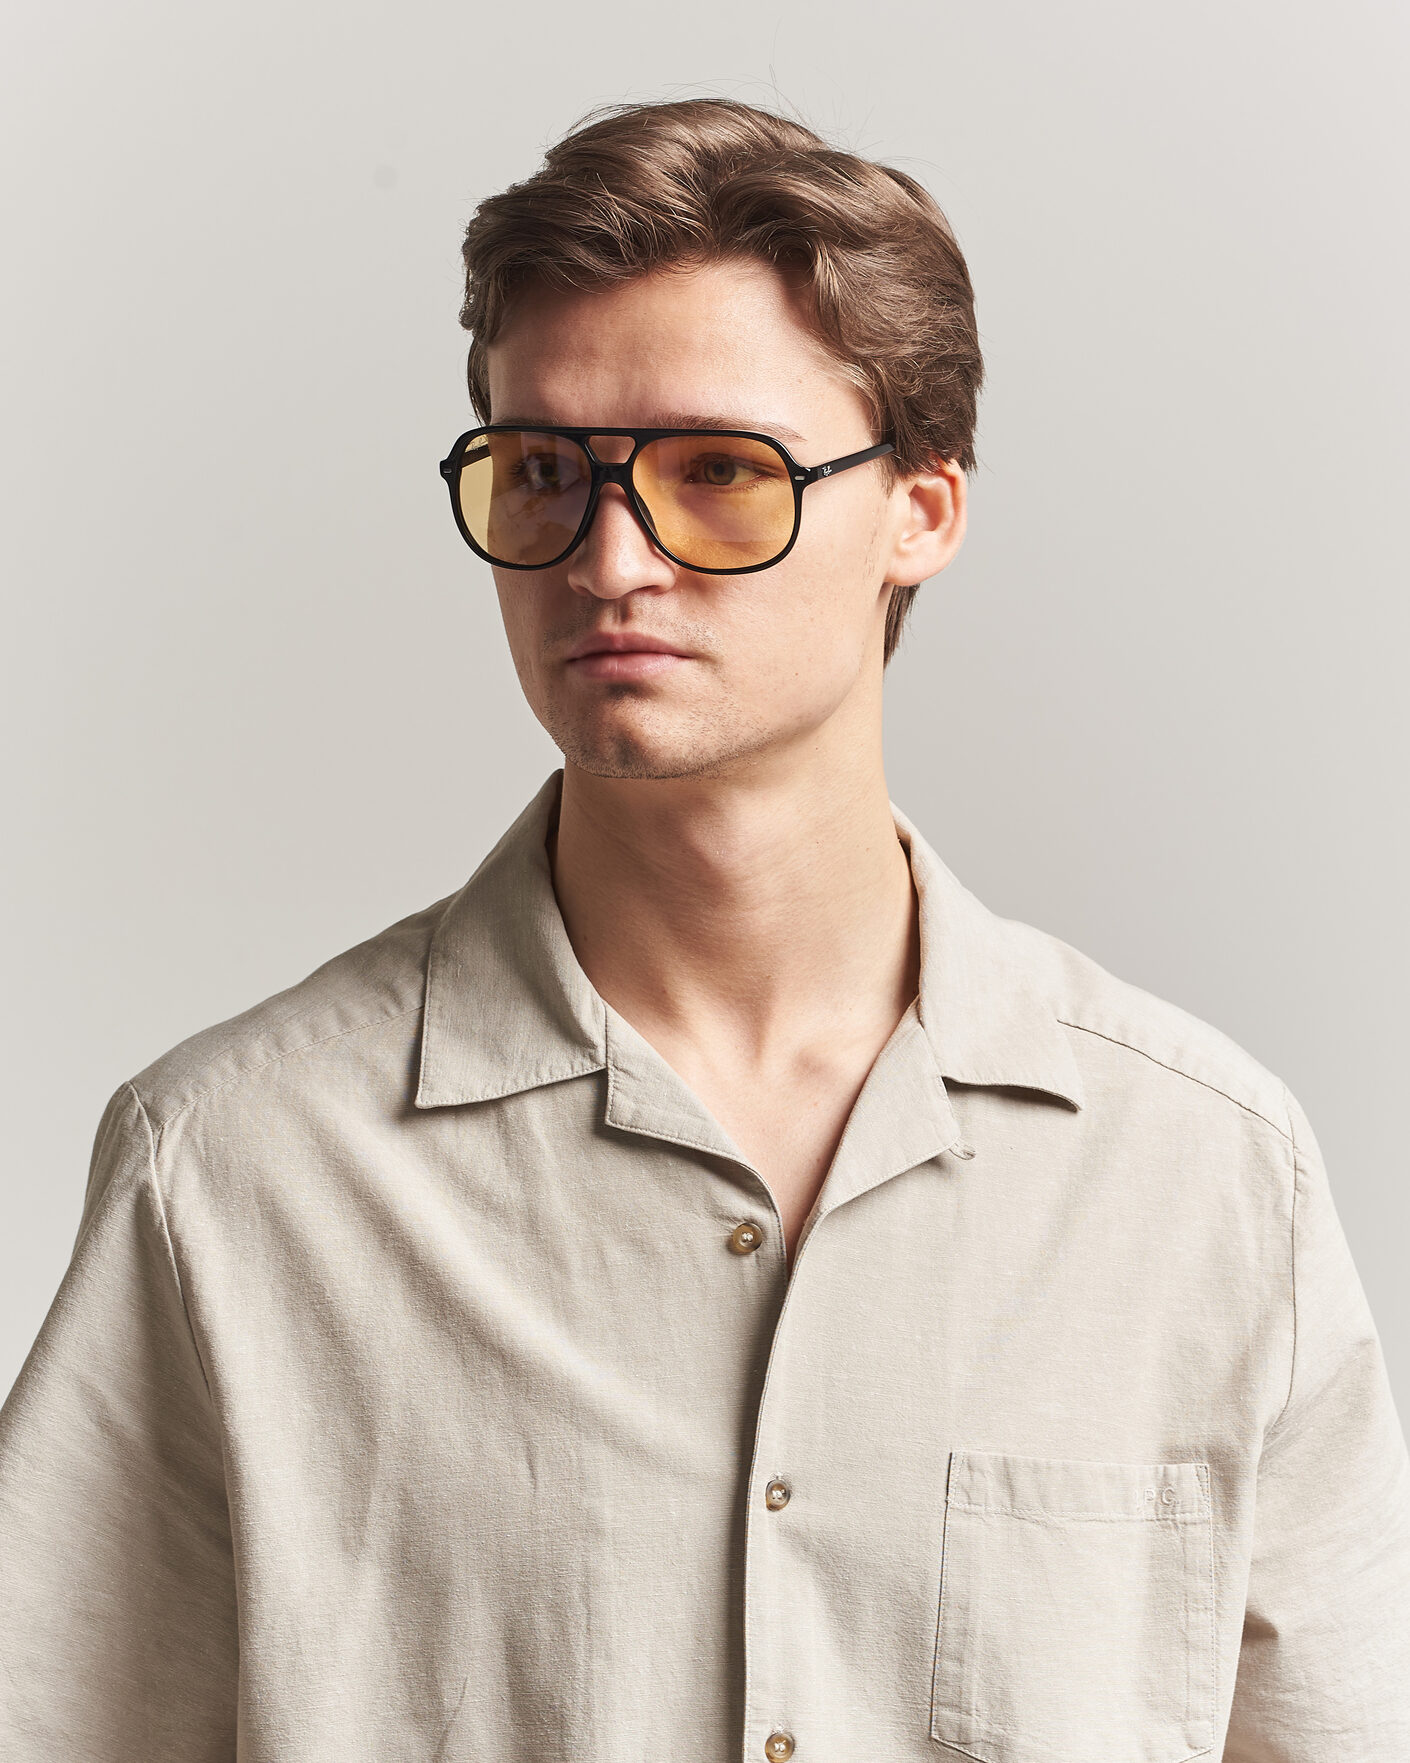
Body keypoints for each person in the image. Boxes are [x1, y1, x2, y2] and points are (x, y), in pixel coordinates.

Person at [1, 95, 1407, 1763]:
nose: (608, 560)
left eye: (718, 474)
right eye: (544, 473)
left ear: (921, 511)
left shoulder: (1203, 1176)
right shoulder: (234, 1171)